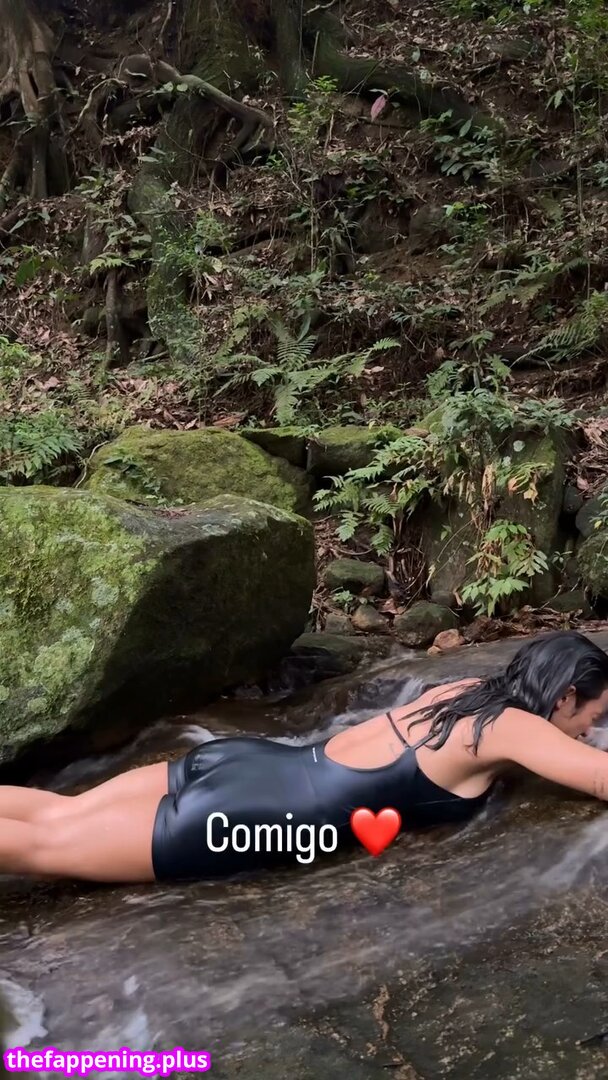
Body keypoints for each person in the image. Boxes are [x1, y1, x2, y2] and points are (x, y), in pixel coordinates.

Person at [3, 630, 608, 884]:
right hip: (251, 819)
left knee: (57, 814)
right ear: (564, 696)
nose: (591, 730)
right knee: (44, 848)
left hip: (248, 764)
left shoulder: (466, 692)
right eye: (594, 715)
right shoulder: (514, 728)